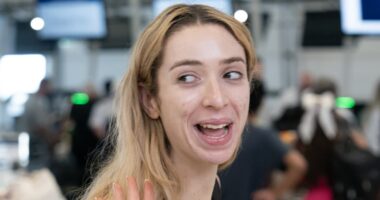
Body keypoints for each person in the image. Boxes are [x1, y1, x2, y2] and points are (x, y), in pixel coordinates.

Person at [81, 4, 256, 200]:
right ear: (150, 100)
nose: (217, 99)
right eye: (187, 78)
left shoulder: (213, 188)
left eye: (231, 74)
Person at [219, 78, 307, 200]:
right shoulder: (263, 137)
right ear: (261, 102)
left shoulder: (218, 134)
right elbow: (298, 164)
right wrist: (275, 193)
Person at [20, 78, 62, 169]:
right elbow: (40, 126)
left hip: (35, 138)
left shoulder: (35, 100)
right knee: (39, 167)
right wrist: (50, 138)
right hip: (38, 139)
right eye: (49, 87)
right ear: (44, 86)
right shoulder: (37, 102)